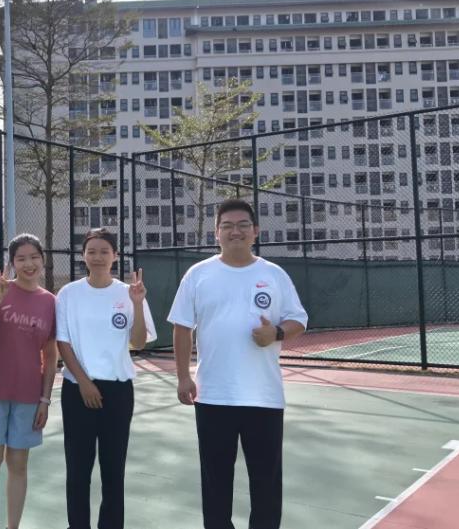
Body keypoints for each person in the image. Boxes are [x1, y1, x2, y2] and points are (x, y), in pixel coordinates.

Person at [167, 199, 308, 529]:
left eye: (243, 225)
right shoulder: (198, 275)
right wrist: (183, 377)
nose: (235, 231)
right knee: (215, 483)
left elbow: (299, 320)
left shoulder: (274, 274)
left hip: (264, 397)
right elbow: (182, 327)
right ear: (216, 233)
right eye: (227, 226)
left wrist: (275, 333)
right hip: (214, 396)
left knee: (266, 484)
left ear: (255, 231)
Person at [55, 228, 156, 529]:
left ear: (115, 256)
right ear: (83, 255)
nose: (97, 257)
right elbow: (63, 342)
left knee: (113, 471)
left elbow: (138, 342)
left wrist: (137, 304)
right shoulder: (69, 294)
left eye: (104, 251)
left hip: (118, 391)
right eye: (92, 251)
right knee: (78, 470)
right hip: (77, 389)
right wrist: (84, 382)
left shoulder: (129, 292)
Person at [0, 234, 58, 529]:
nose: (28, 264)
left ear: (43, 260)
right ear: (12, 262)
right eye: (21, 258)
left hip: (28, 395)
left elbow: (51, 355)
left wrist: (45, 399)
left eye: (34, 257)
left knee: (18, 466)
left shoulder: (50, 302)